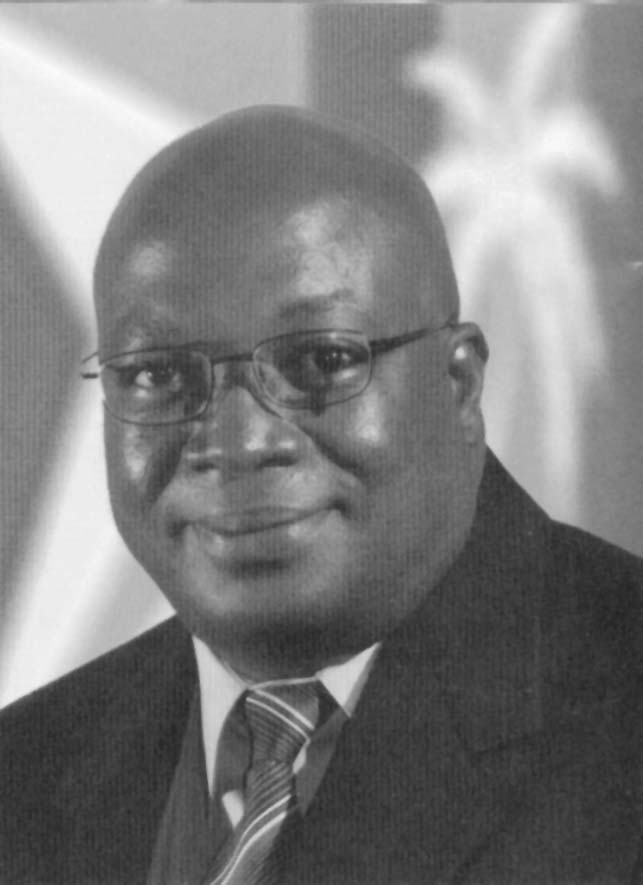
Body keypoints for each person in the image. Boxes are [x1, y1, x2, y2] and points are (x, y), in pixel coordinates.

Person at [1, 105, 642, 885]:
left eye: (320, 361)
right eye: (156, 373)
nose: (238, 441)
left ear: (458, 384)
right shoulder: (22, 776)